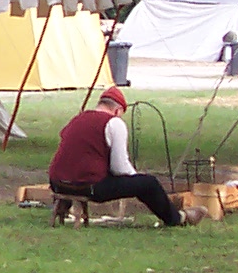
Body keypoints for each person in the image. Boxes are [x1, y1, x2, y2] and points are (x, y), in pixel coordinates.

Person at [48, 86, 194, 226]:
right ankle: (177, 218)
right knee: (149, 184)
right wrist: (136, 179)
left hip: (57, 183)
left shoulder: (78, 118)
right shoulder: (114, 123)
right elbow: (119, 167)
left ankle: (64, 207)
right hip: (89, 186)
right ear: (118, 110)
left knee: (77, 168)